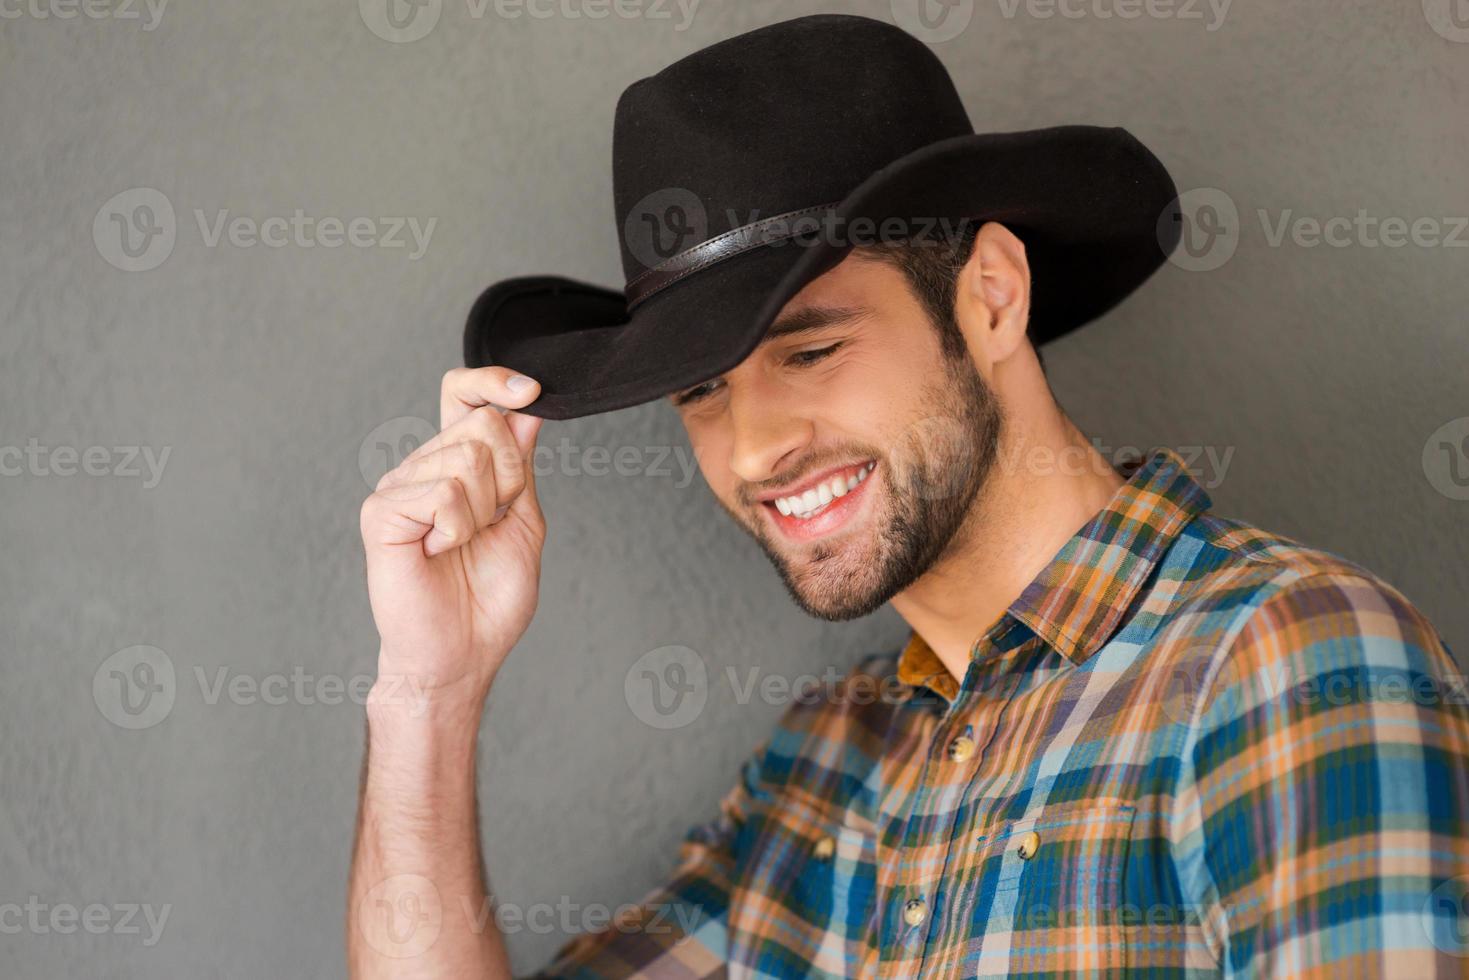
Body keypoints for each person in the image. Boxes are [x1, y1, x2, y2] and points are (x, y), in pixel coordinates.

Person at [347, 14, 1469, 978]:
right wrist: (427, 696)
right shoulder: (826, 765)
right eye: (700, 390)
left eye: (809, 349)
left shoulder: (1283, 661)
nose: (752, 451)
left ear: (989, 295)